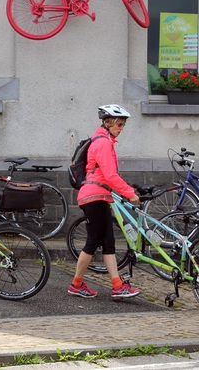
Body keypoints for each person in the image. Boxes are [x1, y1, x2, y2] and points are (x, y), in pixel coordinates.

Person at [68, 104, 141, 300]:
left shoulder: (104, 140)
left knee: (108, 243)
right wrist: (129, 193)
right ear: (108, 123)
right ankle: (76, 284)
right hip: (93, 196)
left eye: (124, 125)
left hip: (99, 196)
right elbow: (109, 175)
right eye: (120, 124)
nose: (122, 128)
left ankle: (117, 286)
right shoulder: (103, 143)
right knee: (92, 242)